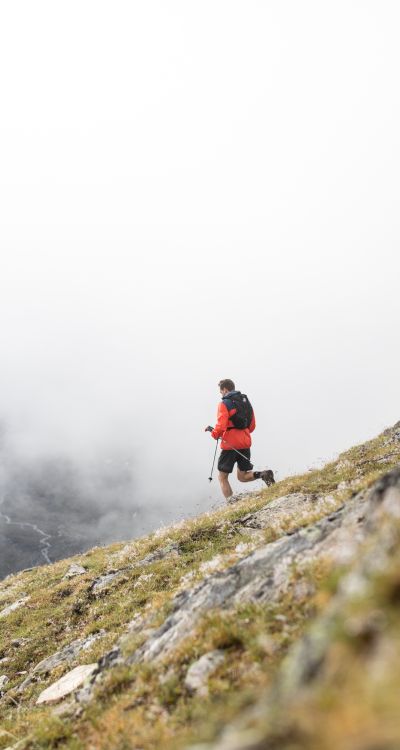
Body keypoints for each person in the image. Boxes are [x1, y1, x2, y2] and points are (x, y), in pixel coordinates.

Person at [205, 379, 275, 502]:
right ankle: (263, 474)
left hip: (230, 445)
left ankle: (232, 504)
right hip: (245, 441)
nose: (221, 394)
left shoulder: (224, 403)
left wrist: (214, 434)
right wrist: (243, 433)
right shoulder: (245, 401)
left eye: (221, 392)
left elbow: (221, 426)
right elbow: (252, 425)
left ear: (225, 389)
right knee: (242, 476)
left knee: (222, 477)